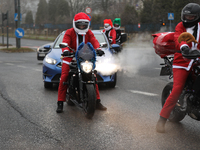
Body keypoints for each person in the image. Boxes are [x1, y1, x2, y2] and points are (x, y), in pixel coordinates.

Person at [156, 3, 200, 133]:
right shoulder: (180, 26)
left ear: (197, 17)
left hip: (197, 59)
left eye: (191, 17)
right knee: (177, 89)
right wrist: (184, 47)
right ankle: (162, 120)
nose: (187, 18)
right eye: (186, 16)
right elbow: (179, 38)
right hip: (182, 60)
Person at [56, 12, 107, 113]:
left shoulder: (89, 33)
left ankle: (97, 101)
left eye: (84, 24)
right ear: (75, 23)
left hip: (84, 58)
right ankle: (60, 102)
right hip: (70, 58)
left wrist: (99, 48)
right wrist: (65, 50)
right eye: (80, 24)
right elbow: (65, 42)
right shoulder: (69, 32)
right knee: (64, 77)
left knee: (92, 77)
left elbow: (94, 41)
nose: (82, 26)